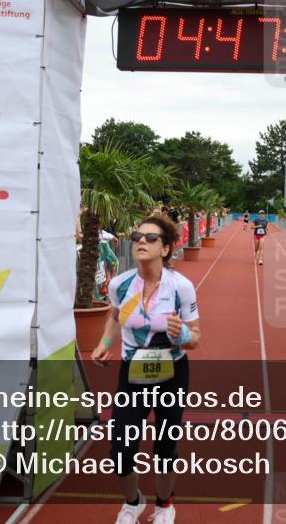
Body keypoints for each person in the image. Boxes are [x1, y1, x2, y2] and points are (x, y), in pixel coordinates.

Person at [92, 215, 201, 524]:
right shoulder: (120, 284)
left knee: (166, 446)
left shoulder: (181, 287)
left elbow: (196, 339)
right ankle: (132, 503)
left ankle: (165, 505)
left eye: (151, 238)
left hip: (172, 374)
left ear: (165, 249)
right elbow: (115, 315)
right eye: (138, 235)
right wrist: (104, 341)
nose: (141, 240)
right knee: (120, 448)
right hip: (133, 374)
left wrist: (180, 335)